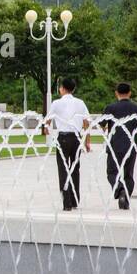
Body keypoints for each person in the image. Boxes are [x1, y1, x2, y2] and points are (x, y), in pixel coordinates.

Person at [99, 82, 137, 210]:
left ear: (116, 93)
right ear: (130, 93)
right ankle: (125, 196)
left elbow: (102, 125)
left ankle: (120, 189)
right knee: (128, 175)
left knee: (112, 172)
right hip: (130, 147)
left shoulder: (110, 108)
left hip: (114, 146)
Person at [45, 77, 90, 211]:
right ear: (73, 89)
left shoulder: (56, 103)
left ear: (63, 89)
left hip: (63, 138)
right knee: (75, 169)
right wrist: (87, 141)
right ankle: (75, 199)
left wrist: (48, 132)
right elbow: (87, 122)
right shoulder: (80, 103)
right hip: (76, 138)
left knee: (63, 168)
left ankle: (67, 201)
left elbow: (47, 121)